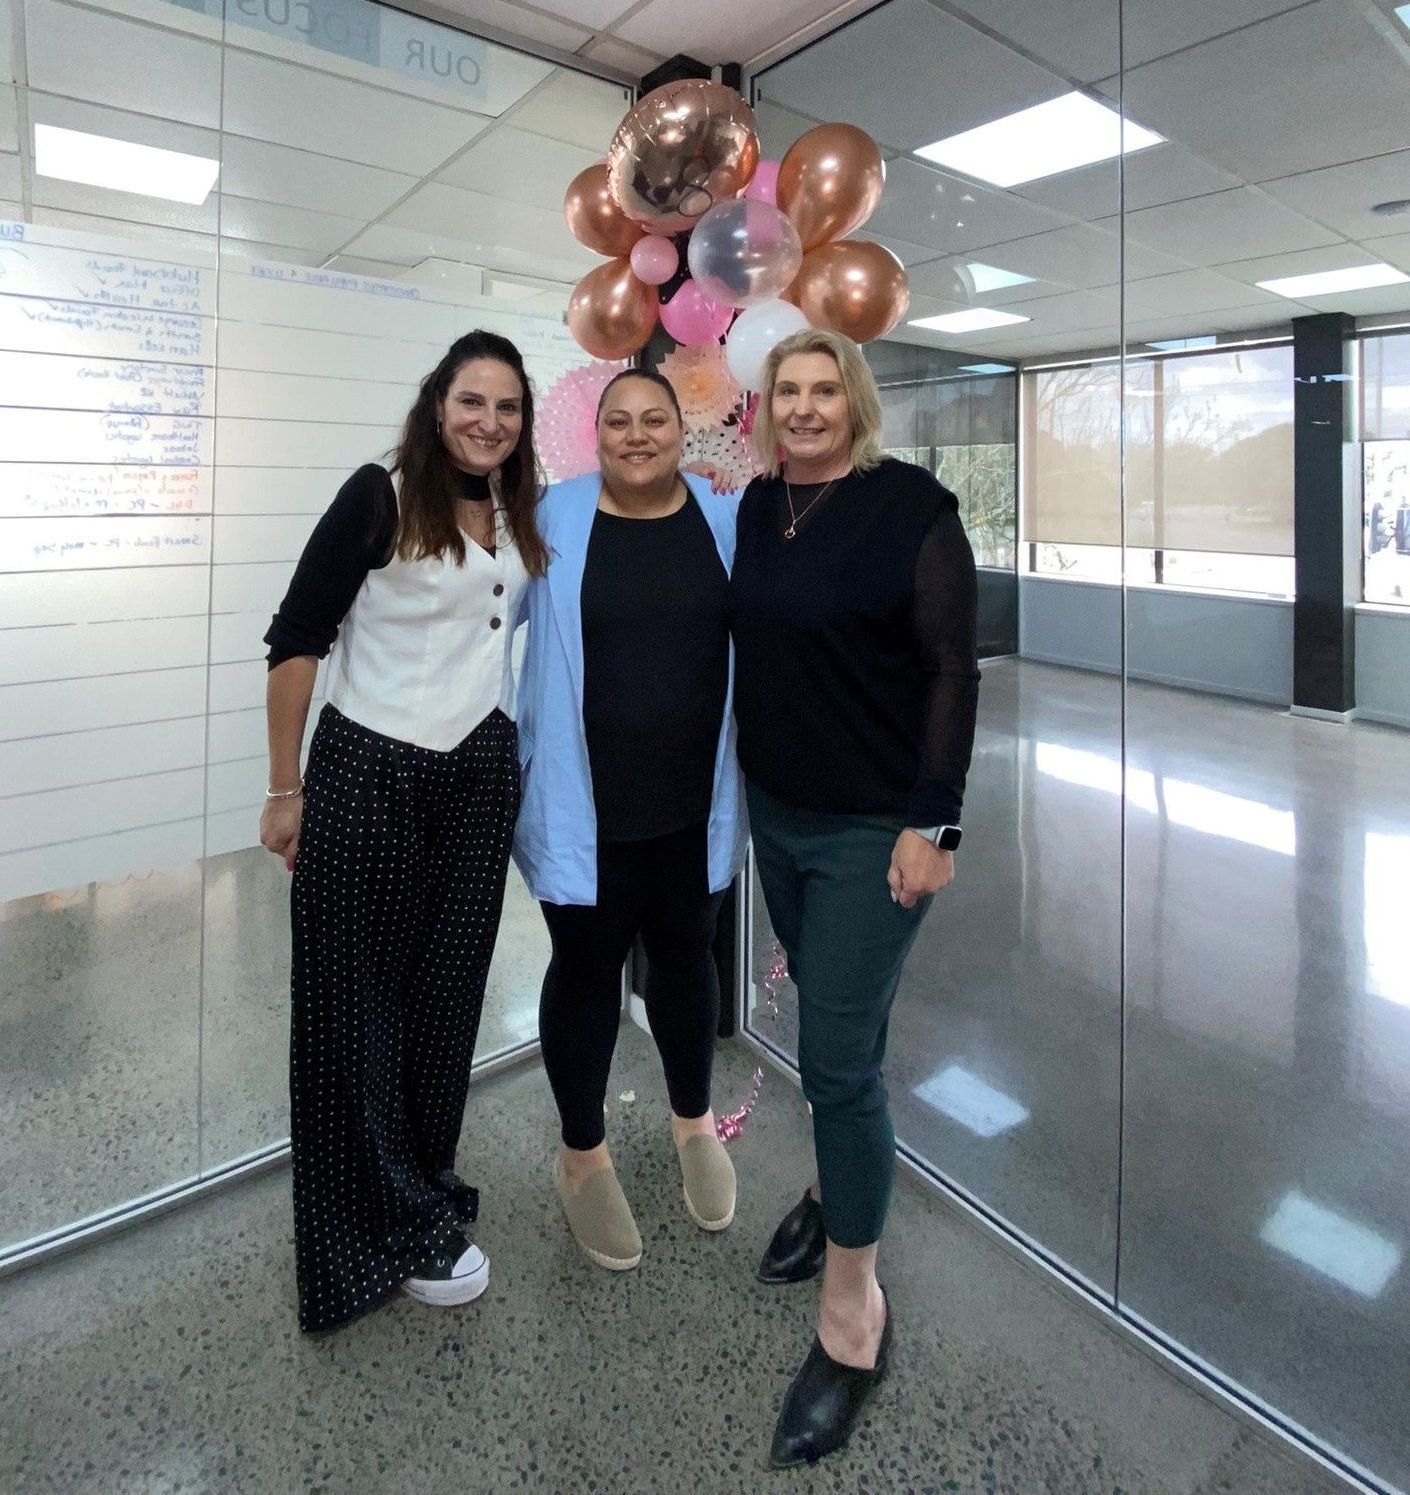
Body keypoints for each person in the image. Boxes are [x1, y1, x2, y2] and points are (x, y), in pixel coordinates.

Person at [259, 330, 547, 1333]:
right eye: (473, 402)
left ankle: (419, 1190)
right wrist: (284, 789)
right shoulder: (377, 495)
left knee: (443, 1000)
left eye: (508, 408)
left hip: (477, 778)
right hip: (368, 769)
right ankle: (362, 1235)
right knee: (353, 1005)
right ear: (438, 405)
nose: (489, 422)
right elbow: (296, 639)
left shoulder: (520, 510)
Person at [730, 328, 980, 1467]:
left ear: (856, 397)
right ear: (767, 405)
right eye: (789, 389)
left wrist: (936, 823)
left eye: (827, 388)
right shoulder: (756, 510)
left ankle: (854, 1314)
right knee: (846, 1029)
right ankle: (841, 1186)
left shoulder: (913, 509)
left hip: (875, 834)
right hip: (777, 816)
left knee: (835, 1057)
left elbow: (949, 671)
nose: (808, 406)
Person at [514, 369, 747, 1272]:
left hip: (691, 811)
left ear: (681, 431)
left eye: (656, 419)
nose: (638, 435)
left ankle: (693, 1121)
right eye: (621, 421)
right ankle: (583, 1154)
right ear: (596, 431)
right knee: (585, 974)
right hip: (587, 813)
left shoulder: (723, 521)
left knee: (688, 967)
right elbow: (478, 620)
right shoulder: (550, 520)